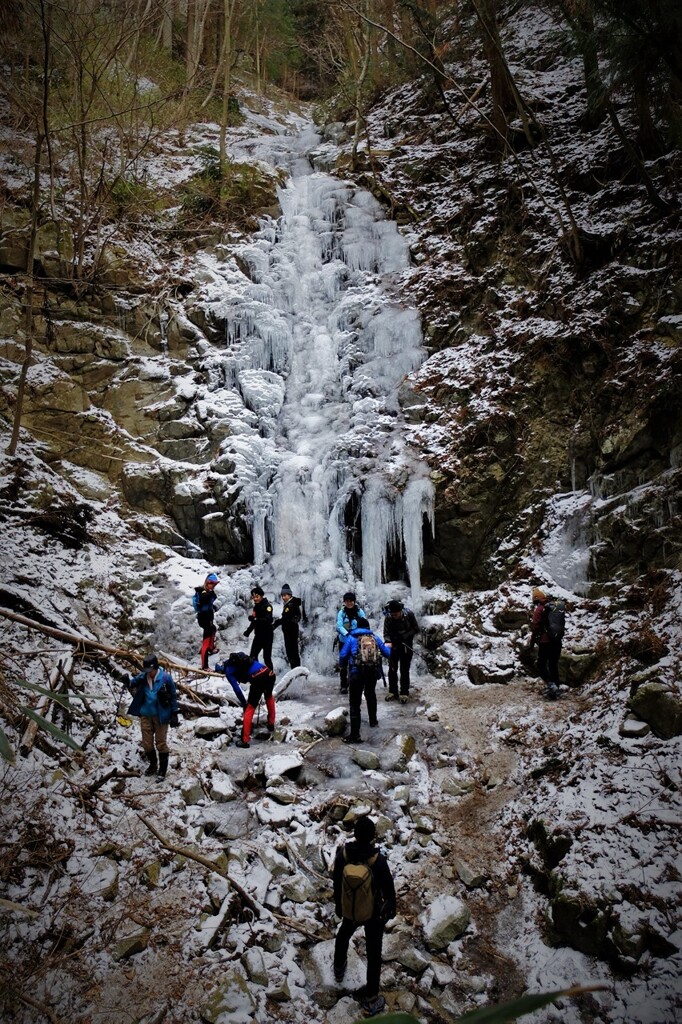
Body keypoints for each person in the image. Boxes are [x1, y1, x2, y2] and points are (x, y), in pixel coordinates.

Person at [332, 815, 396, 1017]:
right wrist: (389, 909)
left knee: (344, 934)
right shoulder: (378, 860)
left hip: (351, 909)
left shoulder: (344, 854)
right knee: (374, 953)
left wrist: (339, 906)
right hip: (373, 913)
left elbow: (336, 881)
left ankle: (339, 967)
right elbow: (389, 891)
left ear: (355, 834)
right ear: (372, 837)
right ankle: (371, 998)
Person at [339, 618, 392, 743]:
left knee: (355, 703)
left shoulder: (351, 638)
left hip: (356, 673)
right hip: (372, 672)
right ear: (368, 627)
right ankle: (373, 721)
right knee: (370, 694)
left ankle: (355, 734)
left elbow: (343, 655)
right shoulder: (374, 638)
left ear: (357, 626)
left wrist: (342, 665)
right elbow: (387, 653)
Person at [127, 654, 180, 779]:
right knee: (147, 744)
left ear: (156, 667)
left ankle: (162, 770)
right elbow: (132, 683)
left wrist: (174, 713)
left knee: (161, 743)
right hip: (145, 715)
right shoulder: (143, 677)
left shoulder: (166, 678)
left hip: (161, 716)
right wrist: (126, 681)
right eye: (146, 671)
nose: (148, 673)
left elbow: (173, 696)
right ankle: (153, 764)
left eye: (150, 671)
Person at [216, 652, 276, 748]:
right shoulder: (240, 658)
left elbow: (237, 691)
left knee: (250, 708)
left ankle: (245, 740)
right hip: (269, 672)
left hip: (258, 678)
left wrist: (244, 703)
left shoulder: (228, 671)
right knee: (269, 697)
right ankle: (271, 724)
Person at [530, 588, 565, 699]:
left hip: (545, 641)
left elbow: (535, 626)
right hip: (557, 640)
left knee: (541, 664)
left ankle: (551, 685)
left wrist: (532, 641)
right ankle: (556, 687)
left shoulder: (540, 609)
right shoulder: (553, 608)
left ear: (536, 600)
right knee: (553, 664)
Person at [382, 600, 420, 703]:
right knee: (392, 669)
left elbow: (416, 629)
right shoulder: (388, 618)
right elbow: (386, 633)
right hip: (394, 646)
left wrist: (406, 636)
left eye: (396, 614)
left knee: (404, 670)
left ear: (400, 611)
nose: (394, 616)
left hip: (406, 646)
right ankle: (393, 691)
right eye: (392, 614)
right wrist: (388, 642)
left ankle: (404, 692)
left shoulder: (409, 615)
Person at [336, 592, 366, 694]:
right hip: (343, 642)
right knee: (343, 663)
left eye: (351, 601)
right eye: (347, 601)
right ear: (344, 602)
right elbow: (339, 626)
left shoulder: (359, 612)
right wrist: (347, 634)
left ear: (354, 601)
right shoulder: (342, 613)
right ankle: (343, 685)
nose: (349, 603)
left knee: (355, 663)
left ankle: (354, 683)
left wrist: (357, 634)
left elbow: (364, 624)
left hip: (356, 642)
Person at [243, 587, 274, 670]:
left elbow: (269, 620)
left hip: (267, 635)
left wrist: (256, 619)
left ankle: (271, 676)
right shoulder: (256, 607)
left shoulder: (267, 606)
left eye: (257, 597)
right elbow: (254, 622)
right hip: (258, 635)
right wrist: (248, 631)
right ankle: (256, 674)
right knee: (253, 655)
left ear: (261, 596)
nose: (255, 599)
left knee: (266, 657)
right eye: (253, 597)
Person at [194, 572, 219, 670]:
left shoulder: (207, 591)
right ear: (207, 583)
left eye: (214, 584)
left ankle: (211, 648)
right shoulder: (204, 592)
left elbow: (208, 602)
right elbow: (204, 599)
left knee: (213, 629)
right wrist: (209, 592)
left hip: (208, 618)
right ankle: (204, 666)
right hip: (204, 619)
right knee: (206, 640)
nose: (213, 586)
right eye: (211, 584)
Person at [273, 583, 302, 668]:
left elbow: (284, 618)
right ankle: (296, 669)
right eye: (282, 595)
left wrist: (273, 626)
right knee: (293, 651)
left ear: (290, 595)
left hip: (290, 631)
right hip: (290, 630)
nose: (283, 597)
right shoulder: (292, 604)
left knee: (291, 651)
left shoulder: (290, 605)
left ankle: (295, 669)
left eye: (285, 595)